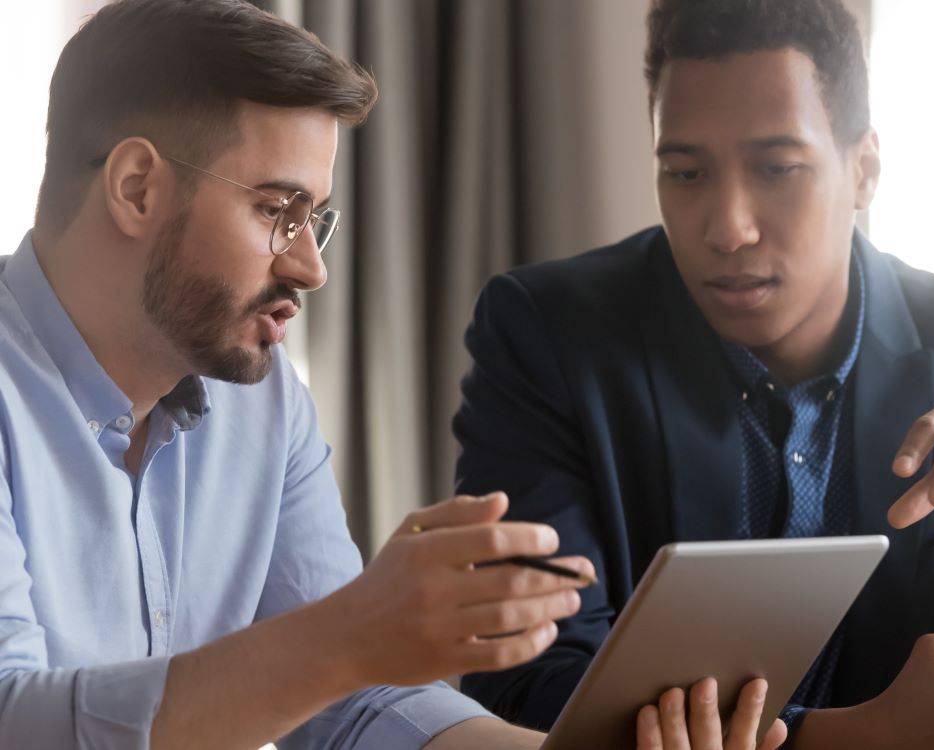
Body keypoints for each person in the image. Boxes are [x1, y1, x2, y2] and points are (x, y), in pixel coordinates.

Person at [0, 1, 611, 748]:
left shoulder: (265, 399)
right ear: (136, 189)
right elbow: (12, 722)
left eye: (313, 218)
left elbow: (353, 706)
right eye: (275, 211)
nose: (310, 267)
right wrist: (347, 636)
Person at [453, 0, 934, 747]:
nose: (727, 227)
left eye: (777, 168)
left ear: (864, 169)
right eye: (685, 172)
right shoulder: (548, 335)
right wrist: (852, 736)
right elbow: (521, 681)